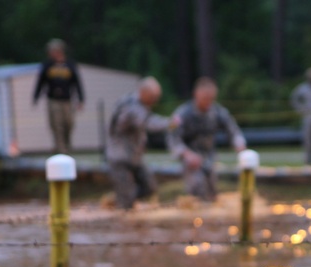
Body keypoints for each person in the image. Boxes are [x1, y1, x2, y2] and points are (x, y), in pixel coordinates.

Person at [167, 77, 246, 201]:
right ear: (196, 95)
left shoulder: (217, 112)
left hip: (209, 158)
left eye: (211, 99)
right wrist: (187, 154)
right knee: (198, 190)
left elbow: (233, 130)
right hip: (191, 161)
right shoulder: (182, 114)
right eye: (205, 99)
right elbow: (172, 137)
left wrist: (239, 145)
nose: (208, 103)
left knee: (212, 193)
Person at [105, 77, 176, 211]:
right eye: (153, 97)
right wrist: (170, 123)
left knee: (149, 187)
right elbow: (148, 123)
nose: (155, 101)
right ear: (143, 92)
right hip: (119, 158)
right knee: (127, 204)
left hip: (134, 157)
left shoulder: (137, 103)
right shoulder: (131, 106)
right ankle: (122, 207)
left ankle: (119, 200)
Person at [32, 39, 84, 154]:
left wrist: (81, 99)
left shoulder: (70, 65)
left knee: (69, 124)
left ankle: (67, 147)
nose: (51, 53)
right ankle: (61, 150)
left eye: (54, 50)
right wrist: (35, 97)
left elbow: (77, 82)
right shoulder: (47, 65)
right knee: (57, 125)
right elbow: (40, 82)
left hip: (67, 100)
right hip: (53, 100)